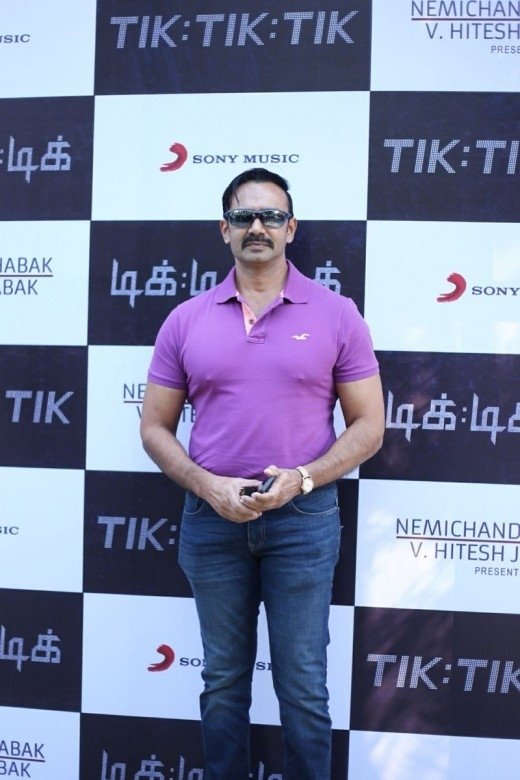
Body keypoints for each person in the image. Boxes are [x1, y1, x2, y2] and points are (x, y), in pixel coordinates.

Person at [140, 168, 384, 779]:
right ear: (224, 230)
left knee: (302, 685)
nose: (257, 227)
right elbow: (154, 428)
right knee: (223, 682)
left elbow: (369, 426)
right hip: (212, 519)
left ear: (290, 228)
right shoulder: (185, 320)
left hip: (304, 520)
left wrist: (303, 478)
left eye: (271, 216)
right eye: (243, 216)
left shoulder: (337, 314)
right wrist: (208, 486)